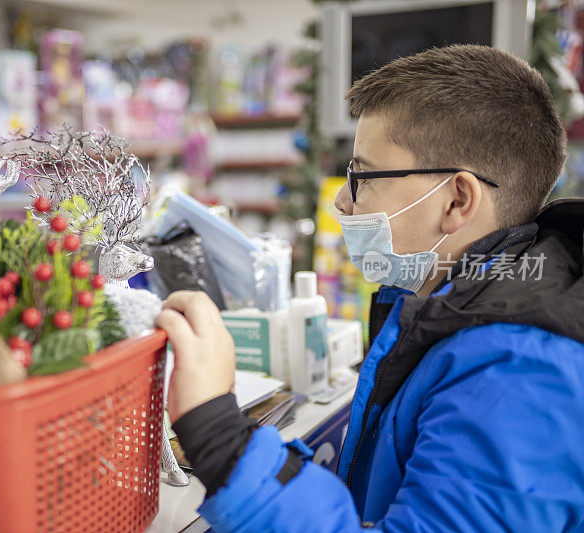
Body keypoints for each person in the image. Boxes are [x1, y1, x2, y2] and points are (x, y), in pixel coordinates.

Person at [155, 44, 584, 532]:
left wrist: (221, 440)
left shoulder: (519, 371)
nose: (342, 198)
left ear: (457, 200)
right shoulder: (469, 307)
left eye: (361, 174)